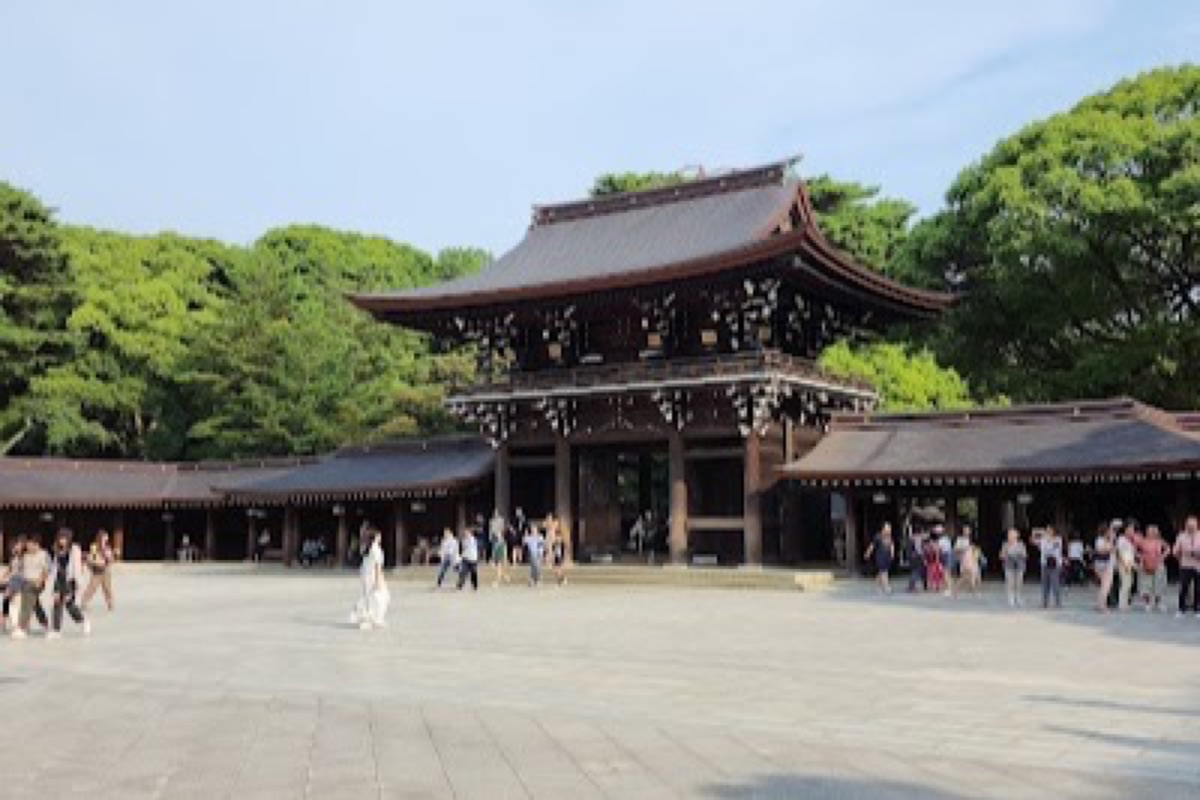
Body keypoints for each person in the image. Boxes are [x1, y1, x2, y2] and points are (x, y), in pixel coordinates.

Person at [47, 528, 89, 639]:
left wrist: (77, 584)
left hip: (70, 579)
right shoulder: (56, 548)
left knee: (68, 604)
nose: (62, 541)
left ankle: (82, 620)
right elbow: (54, 566)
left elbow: (77, 567)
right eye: (60, 538)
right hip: (58, 579)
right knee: (56, 603)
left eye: (64, 538)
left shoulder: (75, 549)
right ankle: (56, 630)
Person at [13, 534, 50, 639]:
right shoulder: (25, 555)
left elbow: (46, 570)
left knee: (27, 604)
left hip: (36, 583)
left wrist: (40, 581)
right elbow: (17, 567)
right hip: (26, 582)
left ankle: (22, 627)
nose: (28, 547)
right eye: (27, 545)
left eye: (30, 545)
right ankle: (45, 624)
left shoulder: (43, 554)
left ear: (36, 545)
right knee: (35, 604)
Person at [350, 526, 388, 629]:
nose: (380, 537)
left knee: (367, 597)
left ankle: (366, 618)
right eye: (379, 536)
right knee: (380, 597)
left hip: (365, 575)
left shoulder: (367, 548)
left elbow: (364, 565)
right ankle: (374, 619)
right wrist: (378, 580)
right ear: (375, 537)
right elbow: (377, 567)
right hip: (373, 576)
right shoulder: (376, 550)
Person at [82, 529, 116, 612]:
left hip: (106, 570)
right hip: (97, 570)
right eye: (104, 537)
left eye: (106, 537)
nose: (106, 538)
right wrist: (93, 564)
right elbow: (92, 558)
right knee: (92, 587)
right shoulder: (94, 547)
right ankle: (84, 603)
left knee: (107, 588)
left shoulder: (107, 547)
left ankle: (110, 603)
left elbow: (111, 559)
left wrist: (109, 557)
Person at [1172, 515, 1200, 618]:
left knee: (1198, 589)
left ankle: (1197, 609)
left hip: (1198, 565)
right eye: (1189, 525)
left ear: (1197, 525)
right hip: (1185, 565)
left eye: (1193, 525)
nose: (1191, 527)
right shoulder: (1181, 536)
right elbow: (1175, 551)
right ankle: (1181, 609)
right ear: (1186, 525)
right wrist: (1180, 559)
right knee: (1183, 587)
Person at [1031, 526, 1064, 609]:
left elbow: (1050, 548)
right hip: (1044, 563)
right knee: (1045, 584)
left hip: (1055, 564)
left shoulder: (1058, 539)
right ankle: (1044, 603)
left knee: (1055, 583)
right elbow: (1032, 541)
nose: (1048, 531)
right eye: (1047, 530)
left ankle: (1058, 602)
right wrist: (1036, 531)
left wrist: (1045, 538)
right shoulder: (1043, 539)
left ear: (1054, 531)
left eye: (1050, 530)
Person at [1000, 529, 1028, 607]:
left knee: (1019, 582)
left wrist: (1020, 554)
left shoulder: (1021, 544)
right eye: (1009, 535)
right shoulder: (1005, 544)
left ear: (1017, 535)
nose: (1011, 536)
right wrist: (1006, 555)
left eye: (1012, 534)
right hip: (1009, 565)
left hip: (1019, 565)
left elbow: (1025, 555)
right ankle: (1011, 598)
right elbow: (1001, 555)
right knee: (1010, 582)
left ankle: (1018, 597)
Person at [864, 523, 894, 595]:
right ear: (883, 529)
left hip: (887, 557)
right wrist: (868, 553)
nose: (889, 530)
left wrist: (892, 554)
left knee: (881, 572)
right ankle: (887, 587)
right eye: (887, 528)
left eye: (889, 528)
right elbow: (872, 545)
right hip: (880, 557)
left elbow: (892, 545)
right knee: (884, 572)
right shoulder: (878, 536)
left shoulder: (889, 537)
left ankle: (877, 587)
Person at [1093, 524, 1116, 614]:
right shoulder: (1101, 540)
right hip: (1104, 565)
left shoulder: (1102, 540)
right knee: (1105, 587)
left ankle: (1099, 604)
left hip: (1103, 564)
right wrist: (1110, 544)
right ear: (1106, 532)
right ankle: (1102, 607)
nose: (1112, 533)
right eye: (1110, 531)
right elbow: (1101, 550)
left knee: (1104, 586)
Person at [1115, 523, 1138, 611]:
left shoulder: (1129, 540)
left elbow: (1132, 553)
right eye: (1130, 530)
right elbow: (1119, 553)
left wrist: (1133, 564)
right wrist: (1125, 564)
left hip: (1129, 563)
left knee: (1129, 583)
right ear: (1125, 530)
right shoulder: (1121, 539)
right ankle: (1121, 604)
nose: (1132, 531)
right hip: (1124, 564)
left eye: (1133, 530)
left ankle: (1125, 603)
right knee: (1125, 584)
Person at [489, 519, 509, 587]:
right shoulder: (496, 542)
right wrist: (492, 558)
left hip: (501, 557)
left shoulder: (502, 542)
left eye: (499, 534)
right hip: (497, 557)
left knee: (499, 570)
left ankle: (497, 582)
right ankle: (506, 577)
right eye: (497, 534)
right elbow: (494, 551)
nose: (497, 535)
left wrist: (505, 557)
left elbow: (505, 550)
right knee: (499, 570)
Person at [935, 526, 953, 596]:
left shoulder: (940, 540)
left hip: (945, 556)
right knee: (947, 573)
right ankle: (949, 589)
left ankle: (948, 590)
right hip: (948, 555)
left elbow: (938, 551)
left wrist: (937, 560)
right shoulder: (946, 539)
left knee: (946, 574)